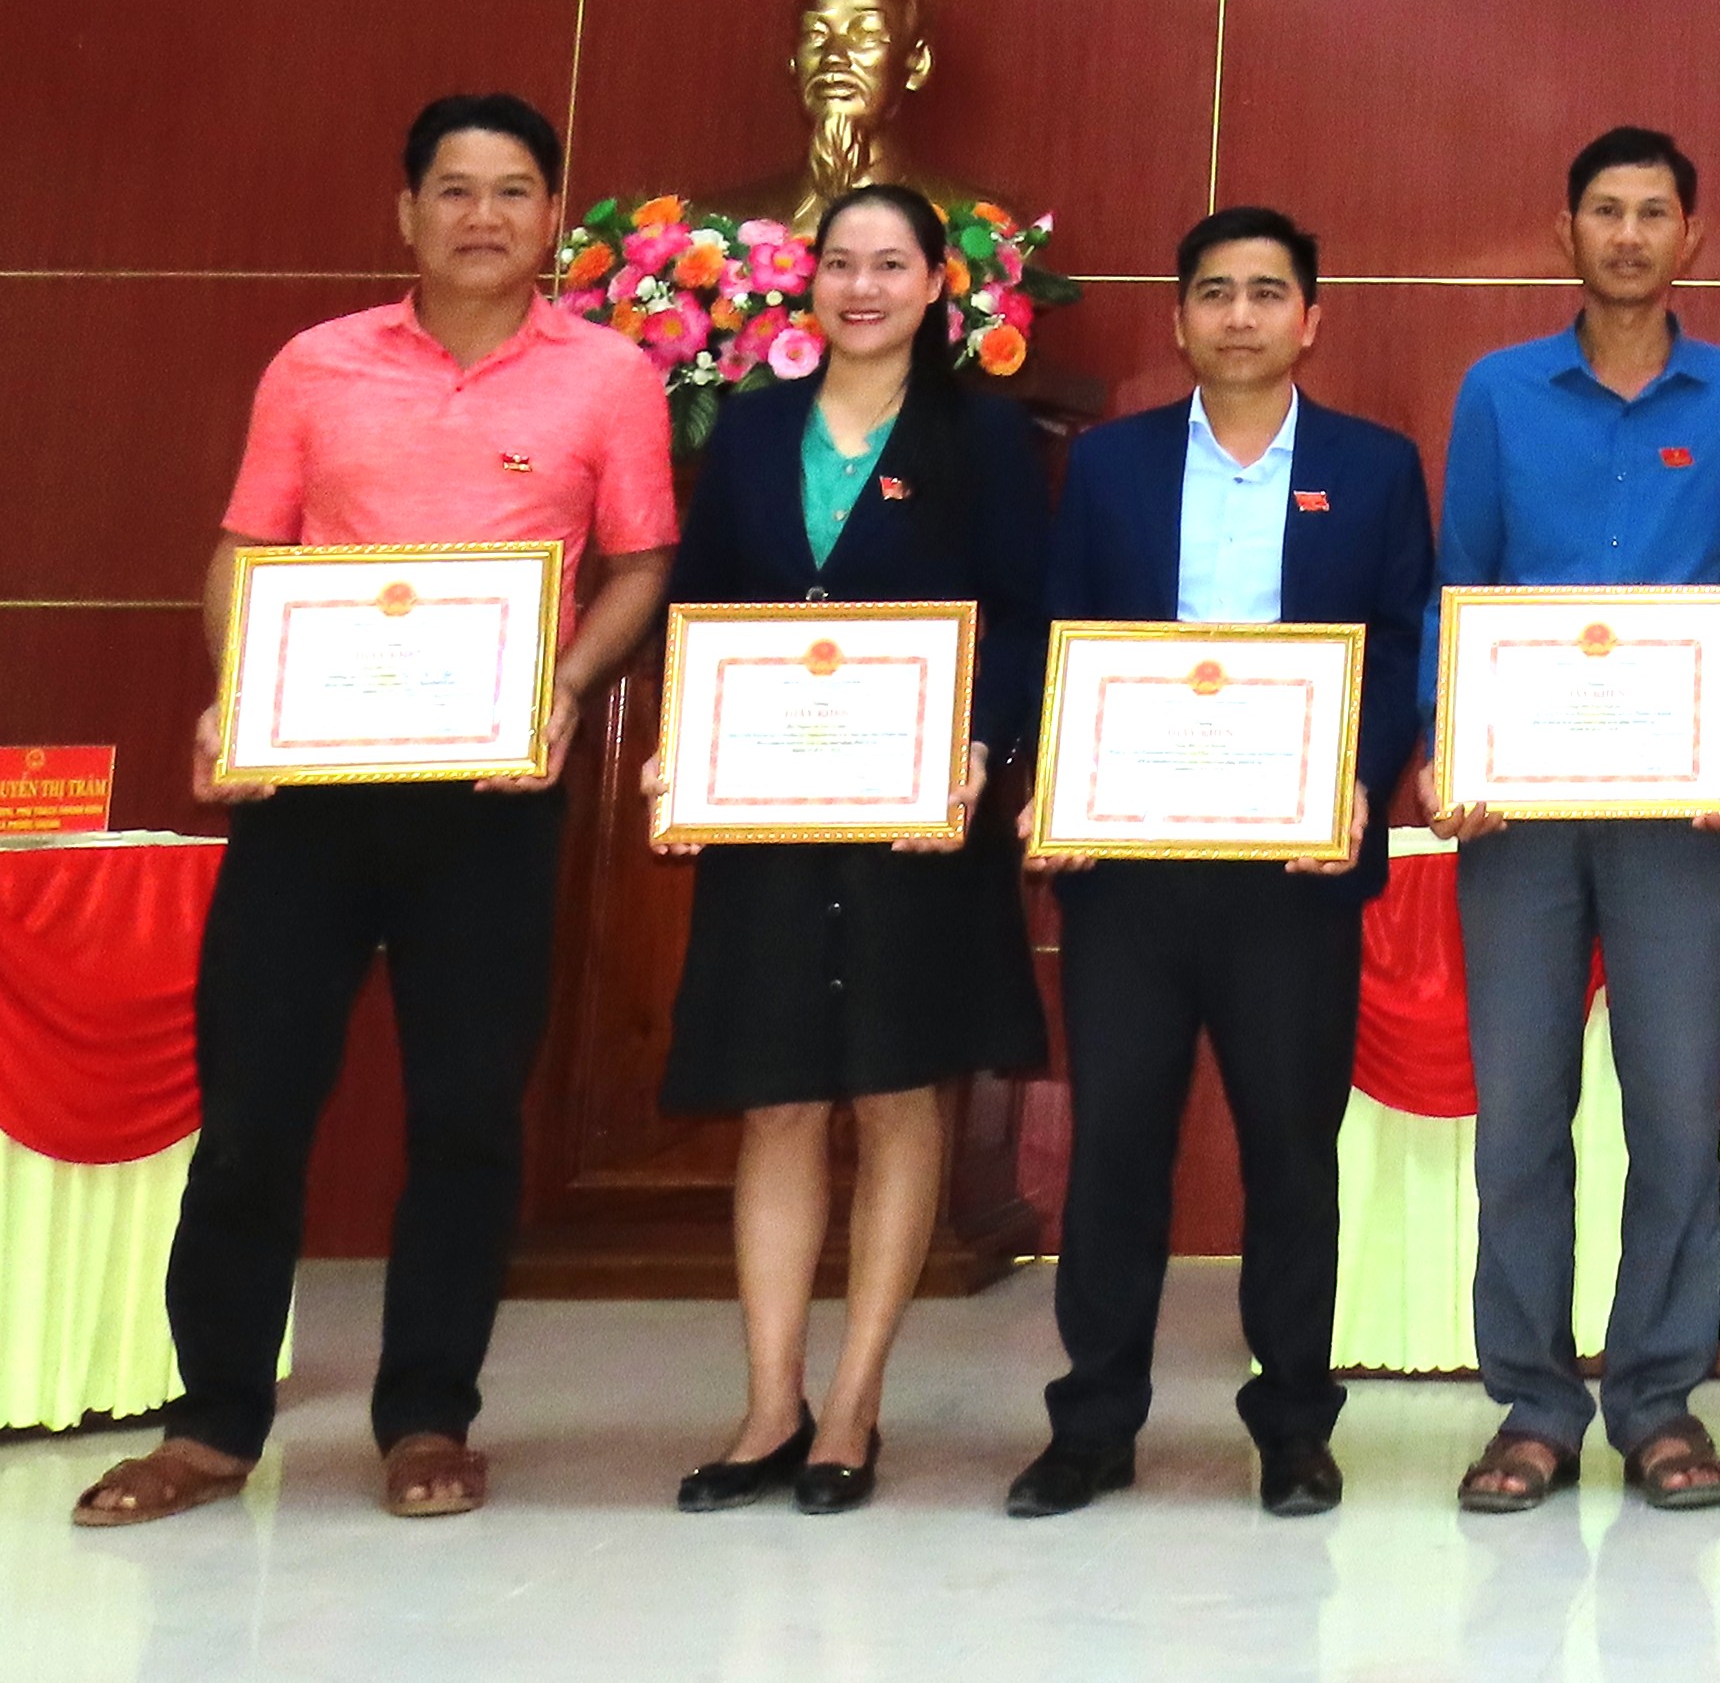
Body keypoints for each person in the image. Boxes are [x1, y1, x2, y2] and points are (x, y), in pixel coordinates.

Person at [76, 94, 676, 1529]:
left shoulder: (609, 377)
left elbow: (643, 561)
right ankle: (212, 1420)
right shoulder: (316, 363)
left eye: (513, 189)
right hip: (312, 788)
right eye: (453, 188)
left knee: (467, 1112)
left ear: (553, 217)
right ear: (406, 211)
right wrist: (239, 698)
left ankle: (427, 1414)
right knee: (253, 1108)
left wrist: (567, 688)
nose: (483, 215)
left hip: (490, 796)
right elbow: (247, 549)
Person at [1005, 208, 1429, 1521]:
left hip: (1293, 867)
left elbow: (1399, 646)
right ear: (1179, 318)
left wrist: (1357, 782)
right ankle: (1093, 1423)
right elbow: (1064, 631)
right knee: (1117, 1145)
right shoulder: (1113, 463)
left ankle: (1295, 1423)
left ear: (1311, 318)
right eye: (1214, 291)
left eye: (1266, 291)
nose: (1240, 314)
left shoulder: (1372, 466)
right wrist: (1056, 776)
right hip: (1132, 861)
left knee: (1291, 1150)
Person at [644, 185, 1053, 1516]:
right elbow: (699, 606)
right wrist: (682, 742)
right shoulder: (755, 428)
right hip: (767, 811)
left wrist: (982, 748)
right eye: (839, 263)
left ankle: (856, 1401)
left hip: (916, 812)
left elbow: (1021, 614)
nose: (861, 286)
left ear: (939, 283)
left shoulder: (982, 435)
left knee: (894, 1092)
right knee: (774, 1098)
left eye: (890, 264)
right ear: (806, 282)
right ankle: (771, 1401)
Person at [1427, 127, 1720, 1516]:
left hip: (1674, 804)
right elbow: (1462, 575)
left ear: (1691, 236)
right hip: (1517, 805)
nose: (1629, 234)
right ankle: (1532, 1402)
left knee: (1676, 1113)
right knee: (1520, 1112)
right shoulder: (1499, 390)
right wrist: (1446, 739)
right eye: (1605, 210)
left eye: (1653, 212)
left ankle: (1657, 1398)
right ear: (1564, 231)